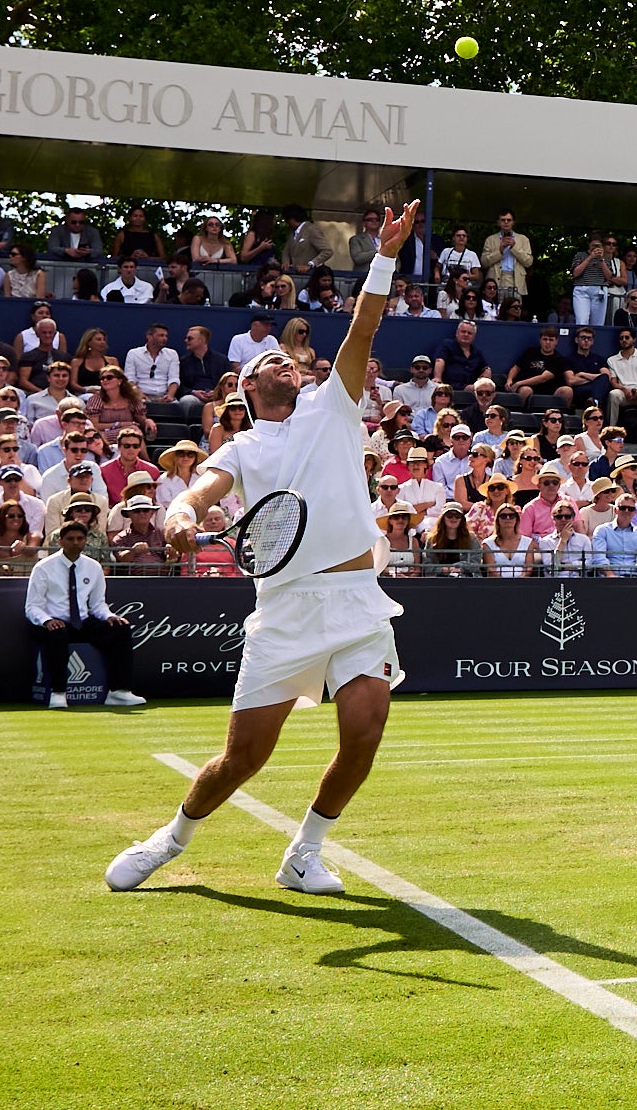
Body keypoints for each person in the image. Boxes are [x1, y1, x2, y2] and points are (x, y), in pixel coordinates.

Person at [108, 201, 424, 898]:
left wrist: (386, 254)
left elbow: (364, 323)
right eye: (272, 358)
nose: (288, 358)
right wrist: (181, 514)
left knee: (366, 726)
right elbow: (201, 489)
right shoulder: (243, 446)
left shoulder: (334, 402)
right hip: (284, 611)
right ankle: (171, 838)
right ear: (248, 388)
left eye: (292, 355)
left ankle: (305, 850)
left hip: (354, 599)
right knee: (243, 757)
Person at [26, 507, 146, 709]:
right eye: (71, 539)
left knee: (120, 629)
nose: (75, 542)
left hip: (82, 622)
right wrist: (47, 620)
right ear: (60, 541)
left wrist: (109, 616)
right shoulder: (43, 567)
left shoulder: (93, 567)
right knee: (58, 633)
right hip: (52, 623)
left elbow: (98, 604)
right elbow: (32, 607)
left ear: (85, 541)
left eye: (80, 538)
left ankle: (119, 691)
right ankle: (58, 693)